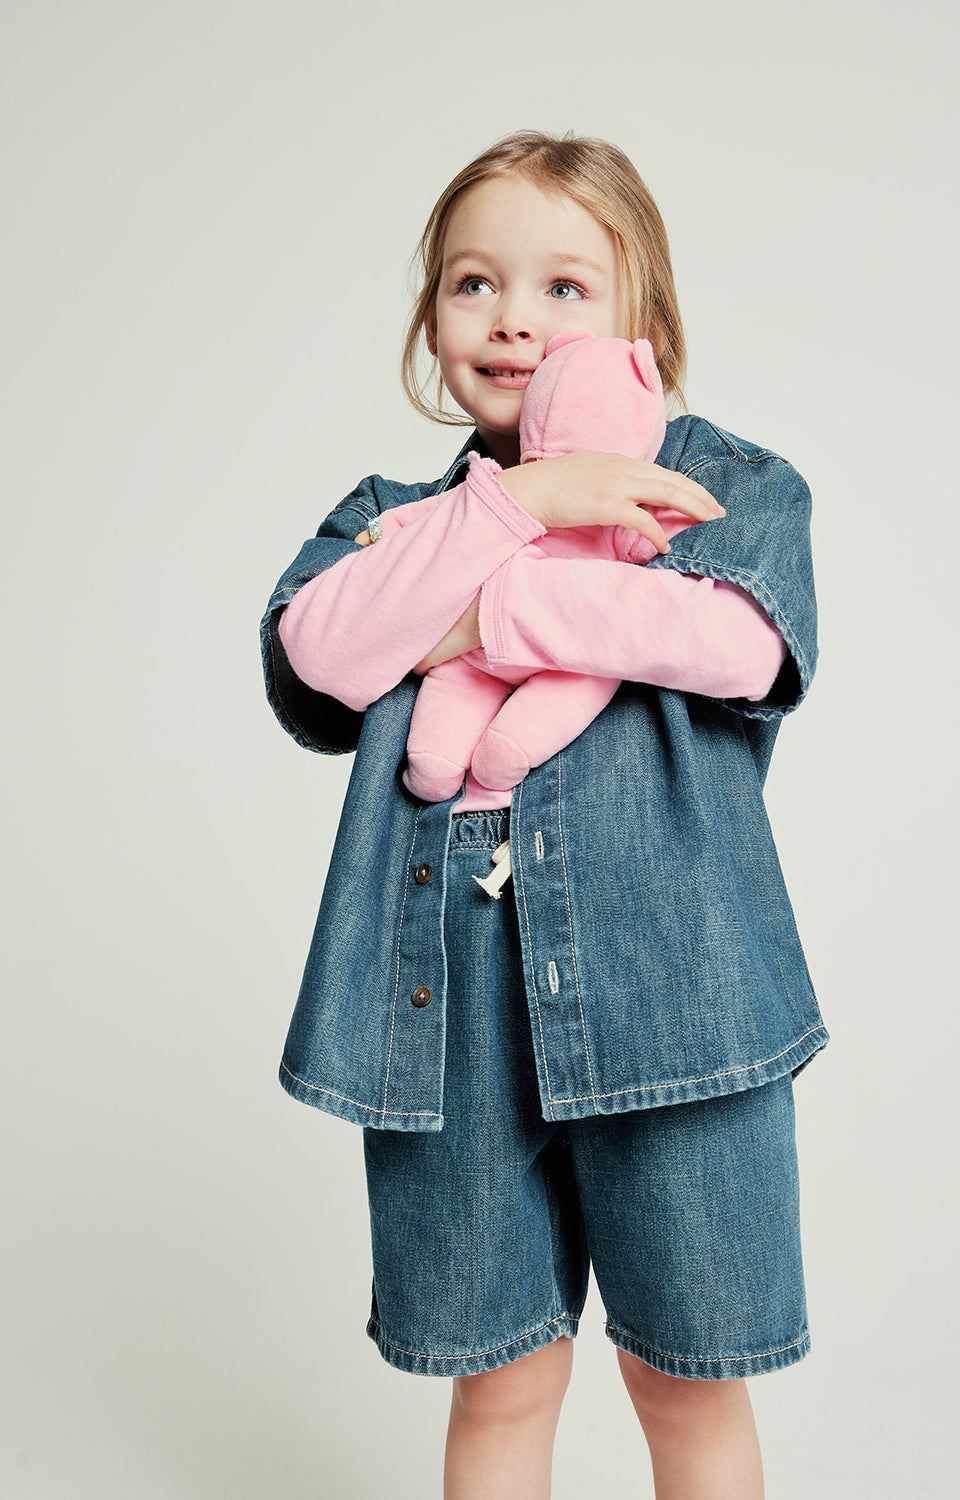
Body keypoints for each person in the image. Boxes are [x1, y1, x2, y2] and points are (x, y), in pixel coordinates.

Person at [261, 130, 829, 1500]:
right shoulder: (391, 515)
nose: (514, 315)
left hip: (677, 1007)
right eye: (473, 283)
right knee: (501, 1382)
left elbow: (737, 647)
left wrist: (479, 611)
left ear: (646, 322)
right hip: (441, 1015)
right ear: (430, 321)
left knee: (687, 1384)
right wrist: (523, 504)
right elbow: (322, 656)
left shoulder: (728, 486)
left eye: (567, 287)